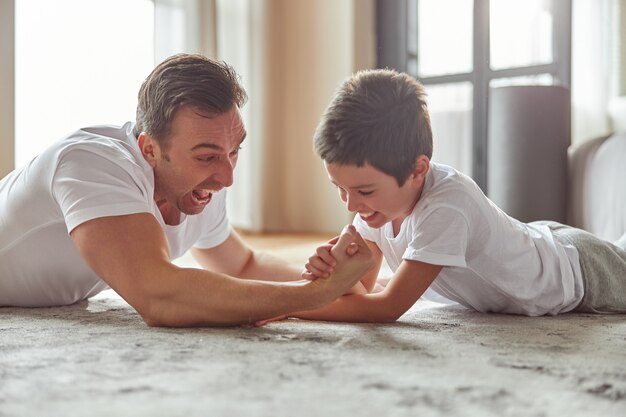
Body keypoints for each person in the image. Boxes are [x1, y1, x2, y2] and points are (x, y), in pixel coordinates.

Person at [0, 53, 375, 327]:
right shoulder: (89, 163)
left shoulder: (200, 184)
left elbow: (241, 265)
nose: (227, 176)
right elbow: (159, 296)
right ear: (149, 149)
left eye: (234, 151)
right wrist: (314, 296)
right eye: (207, 156)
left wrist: (328, 278)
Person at [291, 68, 626, 323]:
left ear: (417, 170)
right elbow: (362, 291)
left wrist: (292, 306)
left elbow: (386, 308)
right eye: (339, 188)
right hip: (537, 239)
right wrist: (335, 276)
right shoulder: (374, 208)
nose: (351, 204)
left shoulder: (447, 206)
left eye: (363, 191)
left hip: (576, 269)